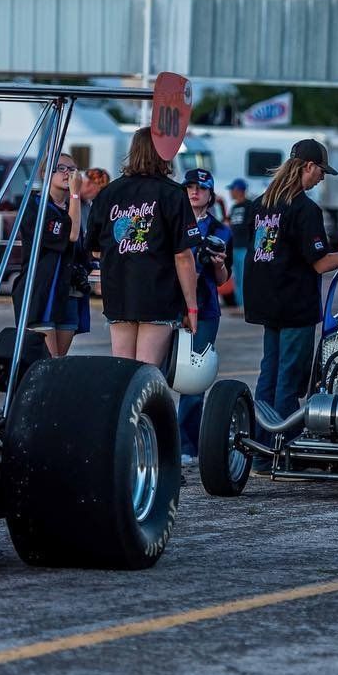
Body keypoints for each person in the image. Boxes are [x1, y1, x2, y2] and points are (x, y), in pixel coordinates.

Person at [244, 140, 338, 470]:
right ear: (308, 167)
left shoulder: (262, 204)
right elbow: (319, 263)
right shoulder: (305, 209)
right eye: (321, 173)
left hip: (265, 301)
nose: (321, 180)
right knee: (290, 379)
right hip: (293, 303)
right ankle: (285, 453)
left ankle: (260, 451)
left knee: (268, 377)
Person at [85, 127, 200, 366]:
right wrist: (192, 307)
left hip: (119, 291)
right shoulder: (172, 193)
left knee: (122, 371)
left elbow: (96, 249)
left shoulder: (108, 193)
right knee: (147, 371)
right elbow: (183, 256)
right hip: (157, 292)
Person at [177, 168, 232, 464]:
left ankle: (186, 444)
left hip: (206, 307)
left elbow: (223, 278)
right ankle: (165, 437)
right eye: (189, 187)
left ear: (210, 194)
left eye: (201, 187)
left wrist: (218, 263)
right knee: (160, 373)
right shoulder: (172, 221)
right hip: (171, 306)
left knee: (195, 379)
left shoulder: (221, 230)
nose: (194, 192)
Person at [12, 153, 86, 357]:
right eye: (61, 168)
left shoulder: (78, 206)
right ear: (45, 173)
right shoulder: (35, 206)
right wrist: (75, 195)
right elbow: (71, 234)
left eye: (72, 169)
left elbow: (82, 245)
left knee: (59, 362)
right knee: (46, 360)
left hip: (68, 293)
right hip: (41, 291)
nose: (67, 174)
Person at [226, 178, 255, 317]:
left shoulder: (249, 206)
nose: (231, 192)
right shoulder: (234, 208)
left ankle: (246, 305)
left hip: (245, 247)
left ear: (239, 190)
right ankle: (239, 303)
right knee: (237, 276)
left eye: (232, 189)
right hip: (235, 247)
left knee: (245, 277)